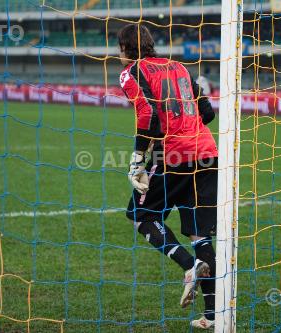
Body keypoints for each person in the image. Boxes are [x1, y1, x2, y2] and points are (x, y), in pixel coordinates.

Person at [118, 24, 218, 329]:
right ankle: (212, 317)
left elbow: (147, 116)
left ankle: (189, 267)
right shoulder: (180, 67)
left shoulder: (131, 72)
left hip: (172, 153)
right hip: (207, 152)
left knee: (139, 214)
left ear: (125, 48)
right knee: (199, 233)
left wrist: (137, 161)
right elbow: (208, 112)